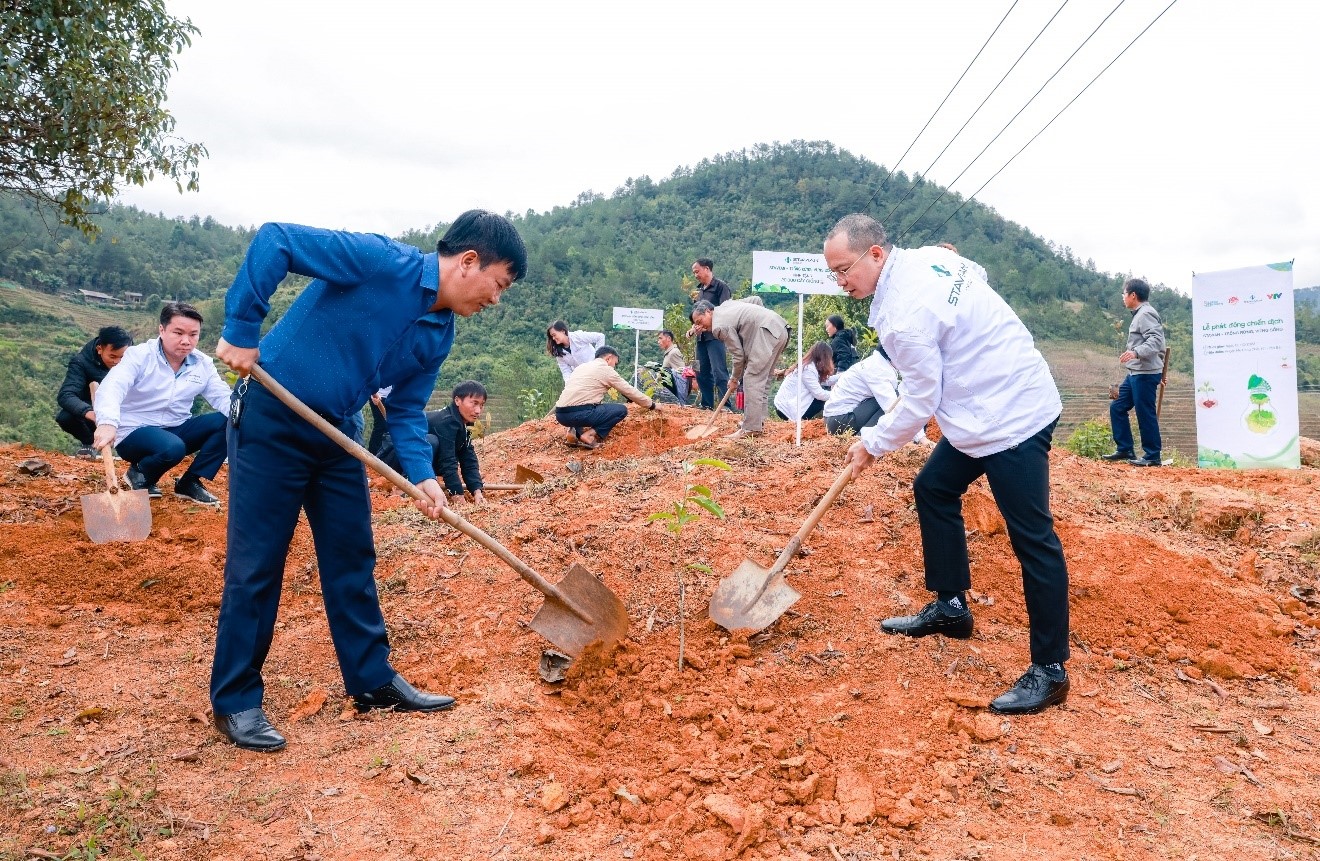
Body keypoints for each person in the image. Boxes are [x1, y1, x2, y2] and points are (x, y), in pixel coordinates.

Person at [209, 210, 527, 752]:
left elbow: (404, 408)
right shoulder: (381, 261)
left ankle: (372, 682)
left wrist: (424, 475)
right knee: (257, 562)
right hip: (273, 417)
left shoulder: (438, 331)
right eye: (498, 285)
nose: (496, 300)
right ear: (469, 262)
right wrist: (241, 329)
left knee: (352, 556)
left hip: (338, 435)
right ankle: (236, 701)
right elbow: (276, 240)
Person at [825, 213, 1070, 715]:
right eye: (833, 272)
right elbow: (972, 270)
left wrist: (870, 444)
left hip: (1011, 416)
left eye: (845, 269)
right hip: (979, 410)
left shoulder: (902, 318)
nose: (841, 281)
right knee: (934, 488)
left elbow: (919, 400)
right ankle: (952, 608)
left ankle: (1050, 669)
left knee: (1033, 539)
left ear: (876, 254)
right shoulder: (933, 258)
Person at [91, 304, 230, 504]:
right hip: (134, 431)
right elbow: (113, 386)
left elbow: (222, 396)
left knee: (231, 418)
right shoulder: (139, 356)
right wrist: (107, 422)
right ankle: (140, 475)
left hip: (177, 427)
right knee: (172, 447)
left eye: (193, 334)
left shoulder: (203, 364)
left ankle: (190, 482)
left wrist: (251, 416)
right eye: (178, 332)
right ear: (162, 330)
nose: (186, 341)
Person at [689, 298, 789, 439]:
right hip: (780, 327)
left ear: (708, 312)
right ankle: (756, 421)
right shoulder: (726, 305)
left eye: (700, 322)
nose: (700, 327)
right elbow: (755, 300)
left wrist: (734, 378)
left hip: (766, 333)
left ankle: (750, 429)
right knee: (763, 379)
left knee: (751, 378)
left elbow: (738, 355)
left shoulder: (719, 326)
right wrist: (761, 318)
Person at [378, 381, 488, 506]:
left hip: (416, 457)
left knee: (451, 452)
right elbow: (448, 461)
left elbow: (468, 458)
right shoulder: (447, 422)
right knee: (431, 441)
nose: (478, 410)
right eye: (474, 403)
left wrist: (477, 490)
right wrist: (457, 495)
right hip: (395, 455)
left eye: (481, 405)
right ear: (457, 401)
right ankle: (405, 485)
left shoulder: (464, 424)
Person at [1103, 278, 1165, 467]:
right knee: (1118, 407)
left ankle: (1153, 455)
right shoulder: (1139, 314)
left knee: (1145, 412)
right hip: (1135, 372)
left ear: (1133, 295)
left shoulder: (1145, 314)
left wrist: (1136, 352)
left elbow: (1156, 340)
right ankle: (1125, 449)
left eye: (1124, 293)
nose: (1123, 297)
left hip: (1145, 373)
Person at [553, 346, 660, 447]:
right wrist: (652, 405)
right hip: (581, 413)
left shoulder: (581, 367)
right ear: (609, 358)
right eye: (615, 363)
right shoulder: (606, 370)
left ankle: (574, 432)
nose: (614, 367)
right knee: (621, 410)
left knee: (582, 403)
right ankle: (589, 435)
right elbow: (629, 391)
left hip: (560, 415)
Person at [55, 326, 134, 458]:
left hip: (126, 409)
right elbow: (66, 395)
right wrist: (90, 413)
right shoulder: (81, 362)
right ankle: (90, 443)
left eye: (122, 357)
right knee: (66, 418)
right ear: (99, 349)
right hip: (96, 410)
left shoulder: (136, 359)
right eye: (112, 356)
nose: (117, 362)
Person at [685, 257, 731, 409]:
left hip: (715, 336)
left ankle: (726, 406)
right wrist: (693, 328)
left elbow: (726, 311)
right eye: (694, 273)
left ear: (707, 269)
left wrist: (708, 325)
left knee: (719, 371)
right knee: (700, 371)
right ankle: (707, 404)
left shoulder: (720, 287)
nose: (696, 275)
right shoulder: (699, 292)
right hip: (701, 338)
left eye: (697, 271)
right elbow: (696, 316)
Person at [823, 351, 900, 435]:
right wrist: (915, 437)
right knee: (894, 399)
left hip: (834, 419)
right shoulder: (878, 369)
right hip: (840, 421)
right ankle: (863, 439)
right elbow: (892, 408)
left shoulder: (873, 362)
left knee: (889, 397)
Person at [774, 341, 834, 421]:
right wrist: (838, 394)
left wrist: (844, 376)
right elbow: (819, 394)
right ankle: (800, 421)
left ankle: (801, 421)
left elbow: (826, 380)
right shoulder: (808, 369)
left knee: (822, 396)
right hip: (786, 408)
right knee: (820, 401)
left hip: (785, 405)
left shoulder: (809, 365)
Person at [657, 329, 689, 405]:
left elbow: (682, 375)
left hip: (675, 394)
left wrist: (680, 400)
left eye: (660, 338)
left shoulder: (673, 352)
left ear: (668, 339)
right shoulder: (669, 353)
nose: (658, 341)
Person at [365, 386, 393, 455]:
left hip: (392, 396)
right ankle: (371, 457)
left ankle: (382, 456)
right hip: (379, 395)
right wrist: (373, 393)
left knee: (388, 428)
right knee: (381, 427)